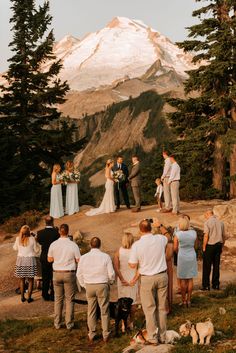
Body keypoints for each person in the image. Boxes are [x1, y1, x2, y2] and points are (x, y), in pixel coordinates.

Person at [129, 220, 173, 345]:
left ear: (140, 230)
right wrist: (160, 225)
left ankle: (153, 337)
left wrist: (135, 263)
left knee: (149, 309)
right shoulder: (159, 238)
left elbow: (132, 265)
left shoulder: (137, 245)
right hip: (162, 276)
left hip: (147, 279)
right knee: (161, 308)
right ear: (151, 228)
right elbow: (168, 237)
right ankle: (163, 336)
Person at [76, 237, 115, 343]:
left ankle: (92, 333)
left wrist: (84, 285)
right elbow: (111, 273)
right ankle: (106, 334)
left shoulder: (83, 258)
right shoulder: (105, 257)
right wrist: (110, 282)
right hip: (102, 285)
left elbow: (78, 274)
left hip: (89, 285)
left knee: (91, 310)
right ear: (100, 244)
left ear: (90, 245)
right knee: (104, 310)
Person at [48, 224, 81, 330]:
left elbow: (49, 259)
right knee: (70, 299)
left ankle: (57, 323)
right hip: (68, 273)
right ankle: (69, 323)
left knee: (58, 299)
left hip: (56, 273)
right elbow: (78, 260)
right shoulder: (73, 245)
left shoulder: (53, 244)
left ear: (59, 232)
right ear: (68, 231)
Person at [113, 233, 139, 329]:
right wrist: (135, 279)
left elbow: (116, 267)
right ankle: (131, 323)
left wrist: (121, 279)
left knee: (122, 302)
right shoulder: (135, 251)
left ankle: (124, 323)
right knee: (133, 302)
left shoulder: (118, 251)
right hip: (133, 279)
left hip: (122, 279)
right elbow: (140, 267)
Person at [173, 217, 197, 307]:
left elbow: (175, 248)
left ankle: (183, 301)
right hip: (192, 255)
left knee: (183, 279)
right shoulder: (194, 233)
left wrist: (180, 252)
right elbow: (196, 245)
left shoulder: (178, 234)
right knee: (190, 279)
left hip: (182, 256)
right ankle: (189, 300)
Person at [13, 225, 40, 303]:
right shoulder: (32, 239)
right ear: (29, 232)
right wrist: (36, 241)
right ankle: (29, 298)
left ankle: (22, 297)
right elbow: (36, 250)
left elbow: (15, 248)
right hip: (30, 260)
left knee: (22, 280)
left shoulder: (18, 239)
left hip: (21, 260)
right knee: (31, 280)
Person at [37, 216, 59, 301]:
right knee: (53, 277)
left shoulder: (40, 233)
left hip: (44, 256)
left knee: (45, 277)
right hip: (54, 256)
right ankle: (53, 295)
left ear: (45, 222)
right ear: (52, 222)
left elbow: (40, 242)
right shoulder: (56, 232)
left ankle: (45, 295)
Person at [202, 210, 225, 291]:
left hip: (210, 245)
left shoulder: (207, 223)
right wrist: (222, 246)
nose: (205, 217)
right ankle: (216, 285)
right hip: (218, 245)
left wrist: (204, 247)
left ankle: (206, 285)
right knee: (216, 266)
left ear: (208, 214)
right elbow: (223, 236)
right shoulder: (221, 222)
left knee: (206, 266)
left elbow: (206, 236)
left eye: (205, 215)